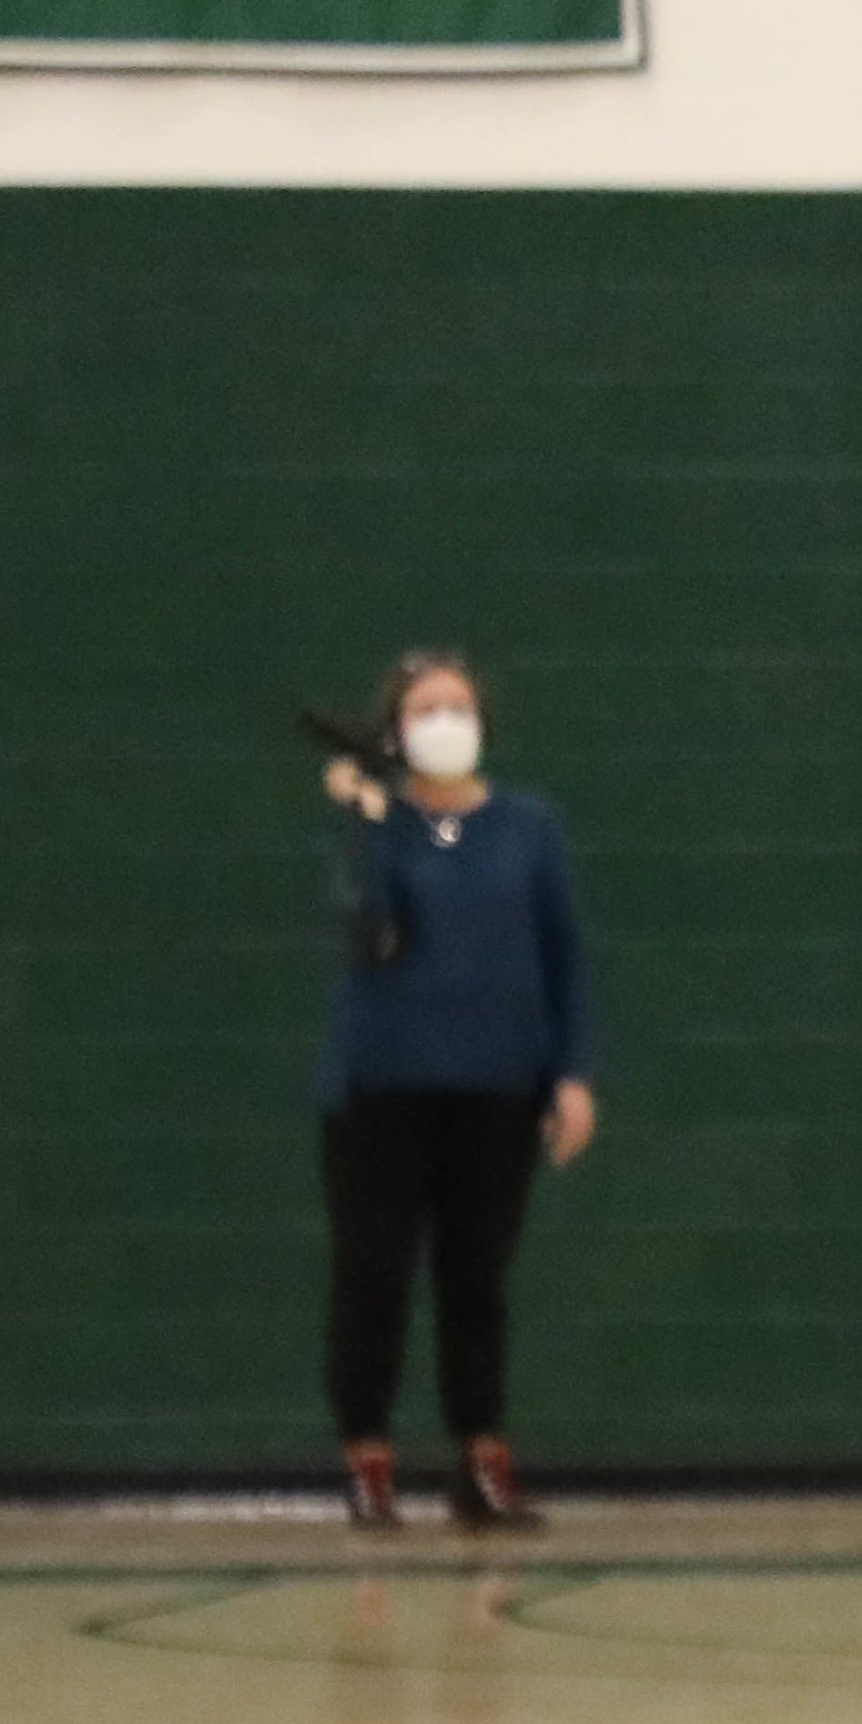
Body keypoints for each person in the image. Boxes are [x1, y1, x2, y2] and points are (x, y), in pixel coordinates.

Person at [316, 653, 600, 1534]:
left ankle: (481, 1464)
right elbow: (367, 929)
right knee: (374, 1273)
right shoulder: (375, 828)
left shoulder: (529, 827)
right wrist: (368, 821)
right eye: (427, 708)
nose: (447, 720)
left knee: (476, 1277)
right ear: (398, 731)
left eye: (460, 705)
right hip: (383, 1086)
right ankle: (368, 1461)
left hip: (498, 1085)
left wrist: (574, 1073)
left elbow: (566, 954)